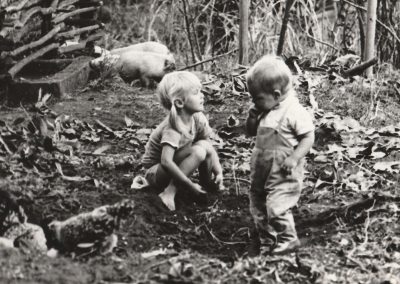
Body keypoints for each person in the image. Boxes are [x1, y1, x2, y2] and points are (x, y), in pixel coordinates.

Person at [245, 55, 315, 255]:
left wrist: (294, 158)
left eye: (257, 97)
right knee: (258, 208)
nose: (254, 102)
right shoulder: (265, 110)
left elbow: (308, 137)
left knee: (277, 207)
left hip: (283, 172)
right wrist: (252, 118)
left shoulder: (294, 111)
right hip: (261, 171)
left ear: (276, 94)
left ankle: (288, 239)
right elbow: (251, 132)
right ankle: (268, 242)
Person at [141, 71, 223, 211]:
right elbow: (166, 162)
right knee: (198, 152)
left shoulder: (198, 118)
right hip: (155, 173)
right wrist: (189, 185)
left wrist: (219, 171)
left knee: (203, 146)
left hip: (173, 165)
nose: (202, 95)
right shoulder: (173, 128)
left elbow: (207, 145)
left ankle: (207, 184)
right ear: (179, 102)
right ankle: (169, 191)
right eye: (196, 92)